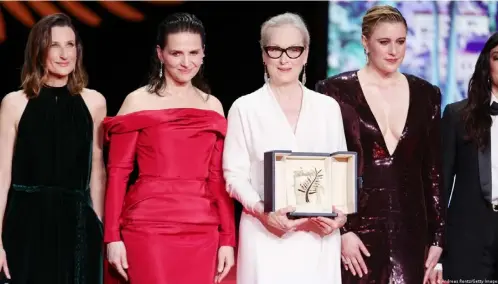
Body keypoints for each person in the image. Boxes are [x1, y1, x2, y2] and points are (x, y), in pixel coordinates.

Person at [315, 5, 445, 284]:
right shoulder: (335, 91)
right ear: (365, 42)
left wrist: (437, 236)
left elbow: (433, 171)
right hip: (356, 228)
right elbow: (325, 164)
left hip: (411, 229)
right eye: (384, 42)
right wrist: (342, 230)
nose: (393, 51)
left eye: (400, 42)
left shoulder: (427, 94)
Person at [103, 13, 236, 284]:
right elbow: (118, 174)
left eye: (193, 53)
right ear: (160, 54)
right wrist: (112, 237)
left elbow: (217, 178)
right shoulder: (137, 101)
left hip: (203, 228)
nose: (186, 62)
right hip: (148, 228)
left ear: (203, 54)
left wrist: (228, 239)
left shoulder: (213, 106)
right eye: (176, 53)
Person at [223, 12, 348, 284]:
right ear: (263, 55)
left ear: (305, 55)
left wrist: (341, 216)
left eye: (293, 50)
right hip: (264, 234)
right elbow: (234, 175)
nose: (284, 59)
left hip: (319, 236)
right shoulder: (245, 108)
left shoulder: (328, 108)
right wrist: (262, 211)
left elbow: (340, 171)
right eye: (275, 50)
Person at [0, 13, 106, 283]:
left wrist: (99, 226)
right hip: (25, 225)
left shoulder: (94, 102)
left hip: (79, 225)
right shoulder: (15, 103)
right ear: (38, 50)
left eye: (70, 45)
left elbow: (97, 170)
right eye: (54, 45)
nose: (64, 54)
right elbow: (2, 176)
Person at [441, 32, 498, 281]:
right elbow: (441, 187)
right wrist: (436, 249)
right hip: (468, 237)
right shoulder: (457, 116)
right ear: (487, 64)